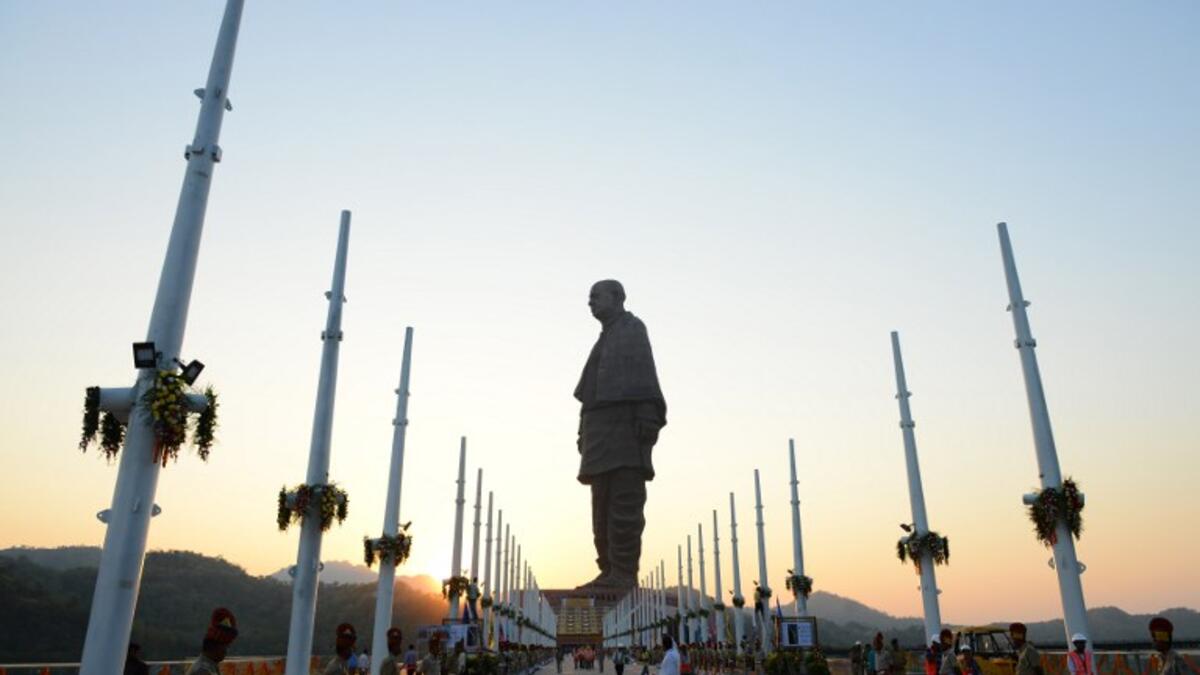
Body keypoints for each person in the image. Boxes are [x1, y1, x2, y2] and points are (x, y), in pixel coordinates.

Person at [575, 279, 667, 590]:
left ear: (617, 297)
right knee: (600, 508)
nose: (590, 302)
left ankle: (624, 573)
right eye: (589, 297)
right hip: (598, 436)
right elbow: (589, 395)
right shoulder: (603, 340)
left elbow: (644, 377)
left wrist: (646, 416)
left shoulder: (632, 329)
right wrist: (582, 432)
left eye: (596, 296)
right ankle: (608, 569)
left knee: (624, 504)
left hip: (625, 432)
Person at [185, 608, 239, 675]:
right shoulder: (202, 671)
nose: (226, 651)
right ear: (214, 647)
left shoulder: (210, 666)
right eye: (226, 646)